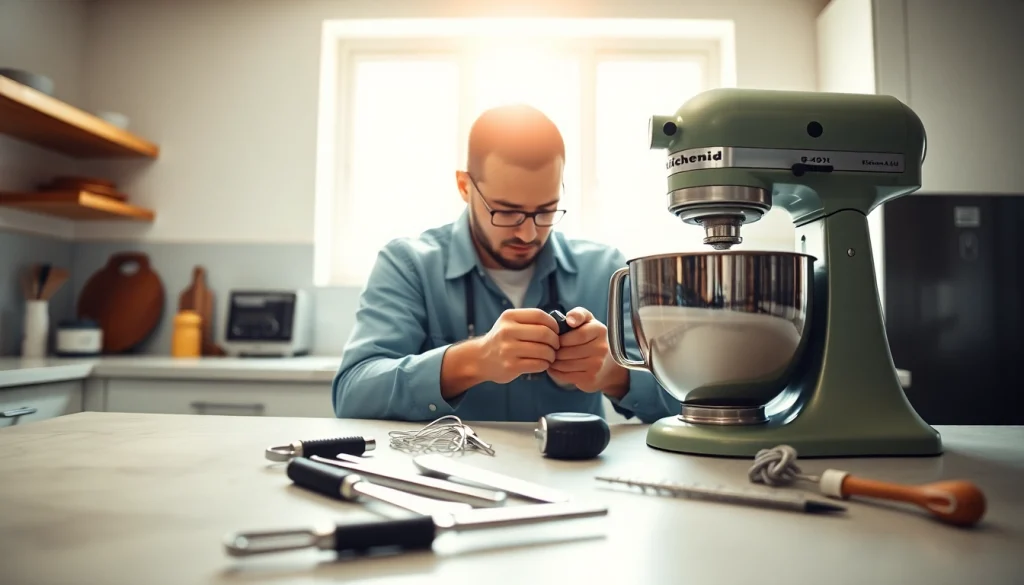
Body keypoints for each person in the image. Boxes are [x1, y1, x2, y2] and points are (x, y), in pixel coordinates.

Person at [332, 104, 678, 423]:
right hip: (450, 480)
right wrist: (472, 361)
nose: (528, 234)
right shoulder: (409, 266)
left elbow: (688, 401)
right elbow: (352, 394)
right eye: (507, 212)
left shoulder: (606, 271)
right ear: (465, 186)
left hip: (571, 485)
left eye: (545, 211)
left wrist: (614, 375)